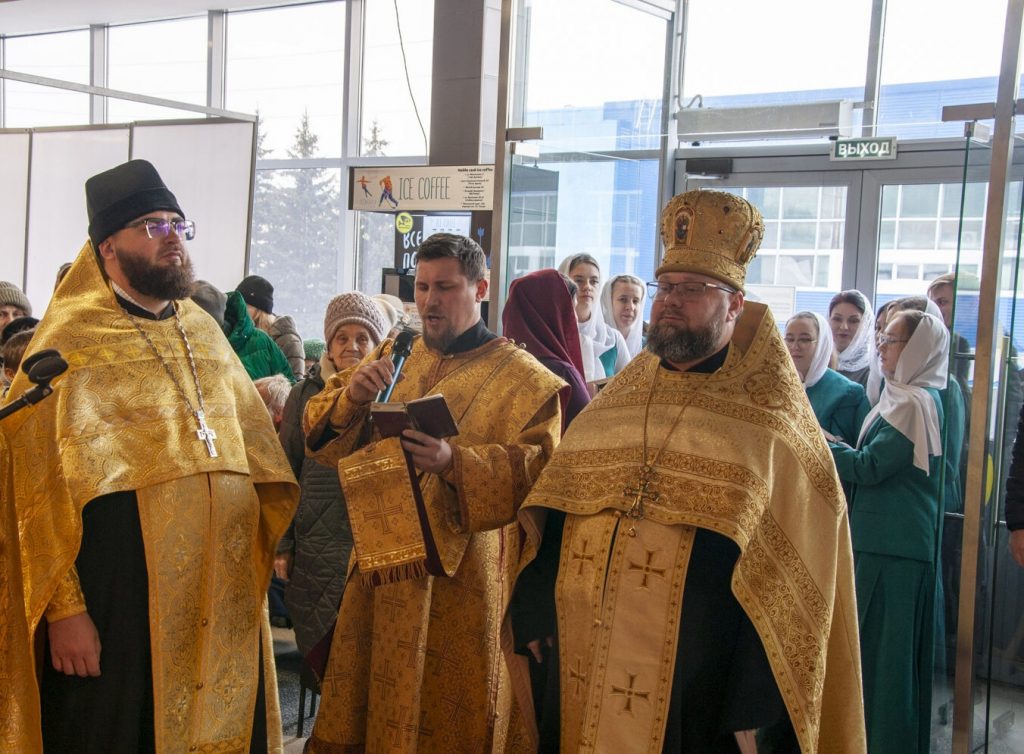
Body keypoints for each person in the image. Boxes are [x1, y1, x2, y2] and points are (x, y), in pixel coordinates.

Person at [511, 189, 865, 753]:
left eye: (692, 290)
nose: (670, 302)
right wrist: (532, 611)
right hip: (581, 661)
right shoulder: (615, 406)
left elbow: (795, 574)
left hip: (700, 684)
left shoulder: (772, 426)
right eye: (665, 288)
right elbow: (557, 509)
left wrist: (752, 701)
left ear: (734, 305)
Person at [1, 159, 299, 753]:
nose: (171, 240)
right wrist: (65, 611)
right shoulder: (69, 342)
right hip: (119, 606)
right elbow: (31, 491)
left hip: (223, 595)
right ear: (107, 246)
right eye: (151, 226)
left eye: (176, 225)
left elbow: (257, 456)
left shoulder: (204, 331)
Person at [301, 233, 564, 753]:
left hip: (463, 584)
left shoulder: (528, 381)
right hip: (380, 570)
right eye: (421, 287)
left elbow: (539, 476)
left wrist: (454, 463)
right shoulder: (396, 352)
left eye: (445, 287)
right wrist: (353, 395)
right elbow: (320, 440)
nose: (429, 301)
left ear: (480, 288)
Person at [829, 309, 948, 754]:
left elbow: (871, 466)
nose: (881, 346)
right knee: (876, 659)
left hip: (895, 549)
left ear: (917, 350)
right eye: (882, 337)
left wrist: (818, 443)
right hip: (881, 543)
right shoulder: (901, 397)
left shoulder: (915, 403)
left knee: (888, 664)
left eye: (892, 340)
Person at [276, 291, 390, 674]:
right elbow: (286, 467)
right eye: (342, 338)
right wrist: (283, 543)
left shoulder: (392, 394)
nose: (352, 347)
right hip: (317, 540)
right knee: (322, 649)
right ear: (328, 344)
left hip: (371, 536)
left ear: (378, 344)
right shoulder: (305, 394)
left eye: (363, 338)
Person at [502, 268, 591, 430]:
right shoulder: (563, 374)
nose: (575, 319)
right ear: (554, 315)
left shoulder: (499, 367)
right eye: (571, 311)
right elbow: (589, 432)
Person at [785, 311, 868, 447]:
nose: (795, 346)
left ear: (822, 343)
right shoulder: (777, 383)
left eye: (805, 339)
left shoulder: (847, 392)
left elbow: (844, 450)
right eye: (789, 339)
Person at [558, 253, 628, 382]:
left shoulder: (612, 340)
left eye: (594, 281)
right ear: (563, 284)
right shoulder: (554, 336)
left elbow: (629, 386)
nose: (587, 287)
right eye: (578, 280)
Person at [235, 274, 306, 380]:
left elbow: (295, 388)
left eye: (244, 304)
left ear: (259, 309)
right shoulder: (243, 334)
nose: (238, 308)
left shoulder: (288, 341)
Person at [828, 289, 874, 387]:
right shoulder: (817, 363)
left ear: (866, 325)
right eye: (837, 319)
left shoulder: (873, 371)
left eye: (853, 321)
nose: (844, 327)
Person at [601, 272, 647, 361]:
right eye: (623, 299)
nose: (630, 307)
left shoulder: (648, 348)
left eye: (635, 301)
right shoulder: (596, 342)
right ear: (608, 302)